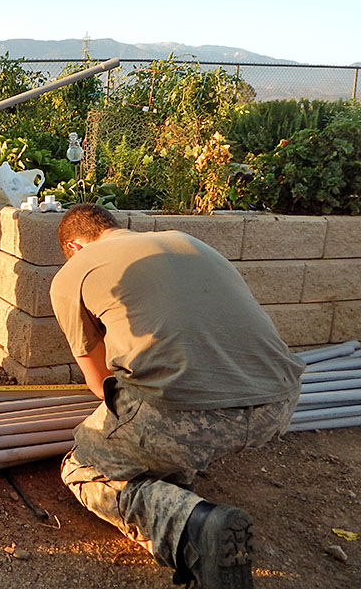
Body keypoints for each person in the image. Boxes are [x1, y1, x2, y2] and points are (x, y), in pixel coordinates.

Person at [49, 204, 305, 589]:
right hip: (279, 403)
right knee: (159, 433)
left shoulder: (75, 270)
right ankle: (170, 470)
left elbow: (100, 381)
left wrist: (115, 429)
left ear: (74, 245)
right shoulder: (187, 242)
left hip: (188, 418)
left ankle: (195, 531)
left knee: (84, 468)